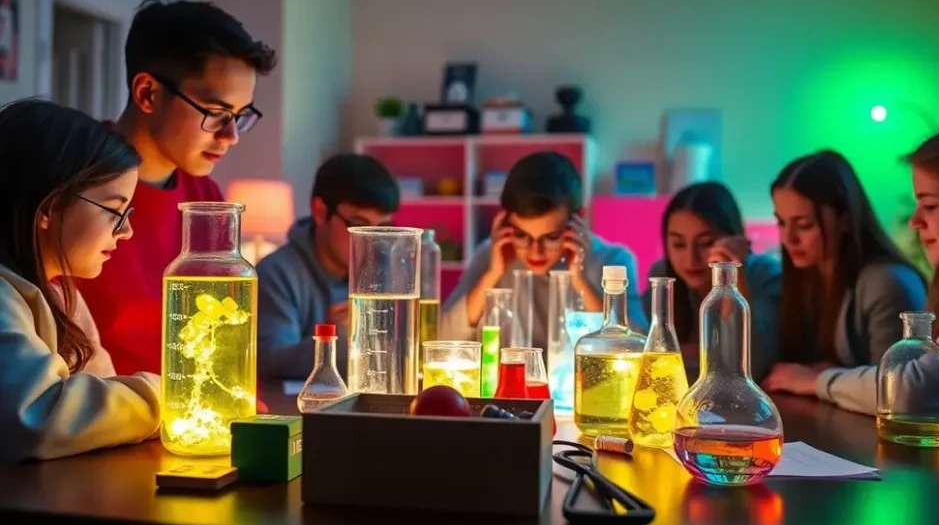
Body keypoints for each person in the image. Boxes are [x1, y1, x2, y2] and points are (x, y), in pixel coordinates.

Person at [765, 120, 939, 438]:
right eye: (781, 223)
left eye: (930, 205)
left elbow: (912, 389)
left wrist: (818, 381)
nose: (915, 221)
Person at [75, 0, 277, 380]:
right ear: (148, 93)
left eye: (239, 116)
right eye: (215, 114)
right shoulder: (70, 182)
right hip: (100, 410)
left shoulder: (207, 201)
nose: (231, 136)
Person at [0, 98, 160, 463]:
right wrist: (165, 398)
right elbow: (36, 416)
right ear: (49, 207)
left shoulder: (61, 295)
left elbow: (101, 391)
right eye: (115, 211)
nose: (127, 232)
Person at [442, 151, 647, 348]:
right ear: (504, 221)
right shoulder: (492, 254)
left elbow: (639, 348)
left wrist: (581, 282)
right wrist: (492, 274)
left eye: (551, 237)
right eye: (522, 235)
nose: (536, 252)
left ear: (578, 219)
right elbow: (443, 338)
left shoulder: (613, 259)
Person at [762, 150, 927, 389]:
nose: (789, 239)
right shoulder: (804, 278)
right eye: (781, 222)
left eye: (804, 225)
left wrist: (821, 379)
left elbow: (897, 386)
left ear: (846, 219)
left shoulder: (886, 282)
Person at [256, 154, 399, 380]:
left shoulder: (388, 271)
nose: (371, 240)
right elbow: (270, 363)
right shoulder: (276, 273)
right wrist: (330, 341)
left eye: (382, 228)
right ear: (320, 212)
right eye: (358, 225)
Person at [645, 182, 781, 384]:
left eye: (706, 243)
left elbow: (750, 368)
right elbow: (647, 358)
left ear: (735, 238)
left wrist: (733, 277)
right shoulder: (664, 277)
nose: (691, 259)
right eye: (679, 244)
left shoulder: (764, 274)